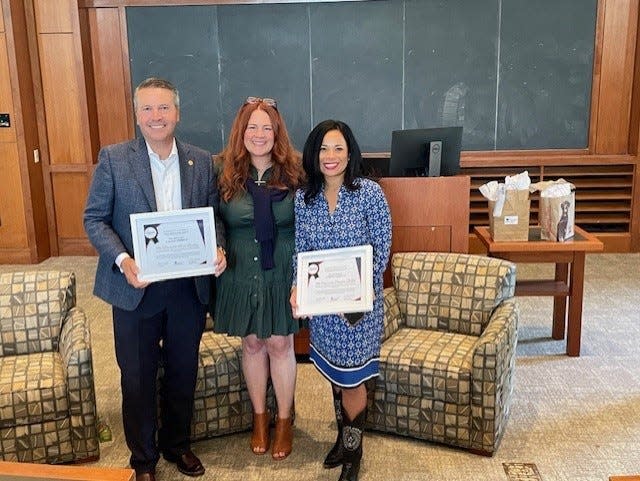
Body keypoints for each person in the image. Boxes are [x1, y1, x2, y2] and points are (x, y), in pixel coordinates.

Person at [84, 77, 227, 481]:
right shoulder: (113, 159)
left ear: (177, 113)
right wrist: (124, 259)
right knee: (137, 376)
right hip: (135, 288)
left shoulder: (202, 161)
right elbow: (94, 219)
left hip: (186, 288)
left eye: (163, 108)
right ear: (136, 114)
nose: (156, 116)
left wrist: (217, 249)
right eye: (146, 108)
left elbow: (213, 217)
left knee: (183, 371)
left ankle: (176, 445)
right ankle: (143, 460)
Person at [290, 120, 392, 481]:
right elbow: (302, 250)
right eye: (322, 149)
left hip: (358, 310)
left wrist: (356, 295)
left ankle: (353, 452)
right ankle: (342, 440)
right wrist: (296, 286)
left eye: (338, 148)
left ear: (350, 153)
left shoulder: (369, 193)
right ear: (313, 154)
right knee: (336, 374)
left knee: (352, 380)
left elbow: (381, 250)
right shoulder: (305, 199)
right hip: (324, 310)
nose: (330, 157)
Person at [212, 96, 304, 461]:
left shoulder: (296, 172)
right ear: (241, 132)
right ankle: (259, 418)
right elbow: (212, 216)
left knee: (280, 343)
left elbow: (308, 224)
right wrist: (217, 246)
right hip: (239, 268)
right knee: (251, 343)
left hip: (280, 267)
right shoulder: (221, 170)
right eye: (253, 126)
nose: (260, 134)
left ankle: (284, 420)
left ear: (277, 133)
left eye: (268, 127)